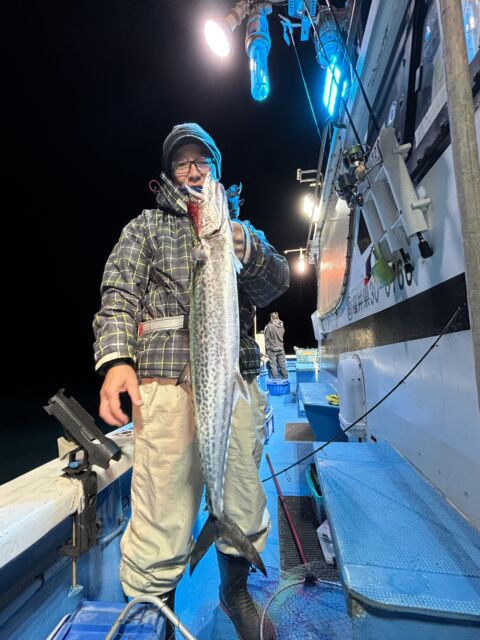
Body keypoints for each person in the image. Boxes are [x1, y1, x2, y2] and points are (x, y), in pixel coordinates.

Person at [93, 122, 289, 639]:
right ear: (168, 175)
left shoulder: (239, 231)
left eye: (203, 161)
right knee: (163, 511)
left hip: (235, 379)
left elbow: (277, 283)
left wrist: (247, 246)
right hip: (164, 384)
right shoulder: (146, 228)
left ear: (217, 171)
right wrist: (116, 361)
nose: (194, 170)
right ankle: (155, 614)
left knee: (242, 495)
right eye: (182, 163)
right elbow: (118, 294)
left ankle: (234, 590)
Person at [264, 312, 288, 379]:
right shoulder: (281, 325)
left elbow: (266, 337)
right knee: (283, 365)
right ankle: (285, 378)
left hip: (272, 349)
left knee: (273, 365)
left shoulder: (269, 326)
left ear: (271, 318)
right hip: (281, 348)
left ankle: (276, 380)